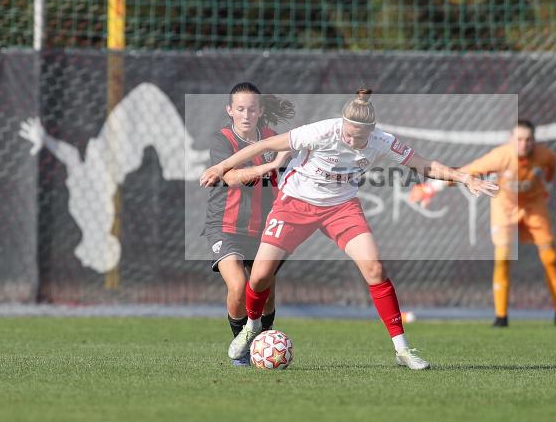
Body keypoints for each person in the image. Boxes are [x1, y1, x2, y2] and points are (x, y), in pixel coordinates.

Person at [200, 88, 499, 370]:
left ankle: (402, 349)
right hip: (295, 203)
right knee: (262, 275)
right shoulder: (321, 131)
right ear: (343, 124)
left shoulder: (381, 140)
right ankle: (251, 327)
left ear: (372, 131)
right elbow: (265, 145)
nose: (354, 142)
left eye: (361, 137)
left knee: (375, 269)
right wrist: (220, 167)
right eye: (350, 134)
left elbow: (424, 165)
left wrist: (465, 178)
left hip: (341, 207)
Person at [409, 120, 556, 328]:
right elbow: (467, 172)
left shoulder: (545, 155)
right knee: (502, 259)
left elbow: (552, 166)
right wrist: (432, 188)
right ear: (511, 140)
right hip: (504, 206)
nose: (523, 144)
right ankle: (501, 317)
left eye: (528, 140)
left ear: (534, 141)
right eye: (518, 139)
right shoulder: (501, 156)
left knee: (550, 257)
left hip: (534, 206)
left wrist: (548, 187)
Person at [202, 82, 294, 366]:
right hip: (225, 227)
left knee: (265, 293)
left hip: (263, 229)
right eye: (240, 109)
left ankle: (263, 345)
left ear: (260, 110)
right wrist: (268, 166)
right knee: (240, 286)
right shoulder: (222, 141)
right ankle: (241, 347)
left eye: (251, 109)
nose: (245, 114)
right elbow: (230, 177)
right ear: (230, 110)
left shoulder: (271, 137)